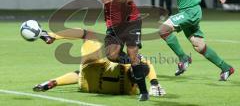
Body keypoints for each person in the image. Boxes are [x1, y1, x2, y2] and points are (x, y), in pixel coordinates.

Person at [33, 29, 166, 96]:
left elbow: (146, 63)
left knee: (87, 34)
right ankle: (54, 82)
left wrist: (155, 82)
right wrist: (152, 84)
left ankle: (51, 35)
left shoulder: (127, 64)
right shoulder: (132, 91)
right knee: (80, 74)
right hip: (87, 86)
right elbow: (145, 69)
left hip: (91, 67)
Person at [96, 0, 149, 101]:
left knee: (132, 54)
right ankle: (138, 63)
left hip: (131, 20)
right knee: (112, 56)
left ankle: (144, 92)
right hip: (113, 24)